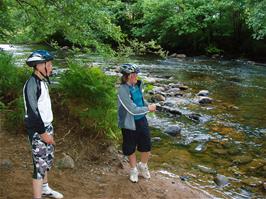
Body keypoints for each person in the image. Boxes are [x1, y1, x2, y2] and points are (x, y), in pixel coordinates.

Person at [23, 50, 63, 199]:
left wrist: (48, 130)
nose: (52, 67)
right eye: (49, 64)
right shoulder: (32, 85)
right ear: (39, 65)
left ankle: (45, 189)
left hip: (46, 126)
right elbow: (33, 114)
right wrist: (43, 134)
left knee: (46, 160)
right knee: (39, 166)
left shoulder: (41, 81)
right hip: (37, 130)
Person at [117, 63, 156, 183]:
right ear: (128, 76)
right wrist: (148, 109)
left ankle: (142, 166)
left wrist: (146, 106)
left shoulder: (138, 85)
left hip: (141, 120)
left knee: (146, 146)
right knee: (130, 147)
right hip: (128, 123)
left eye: (136, 74)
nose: (137, 76)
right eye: (134, 74)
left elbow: (140, 101)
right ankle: (133, 170)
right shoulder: (122, 90)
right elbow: (132, 110)